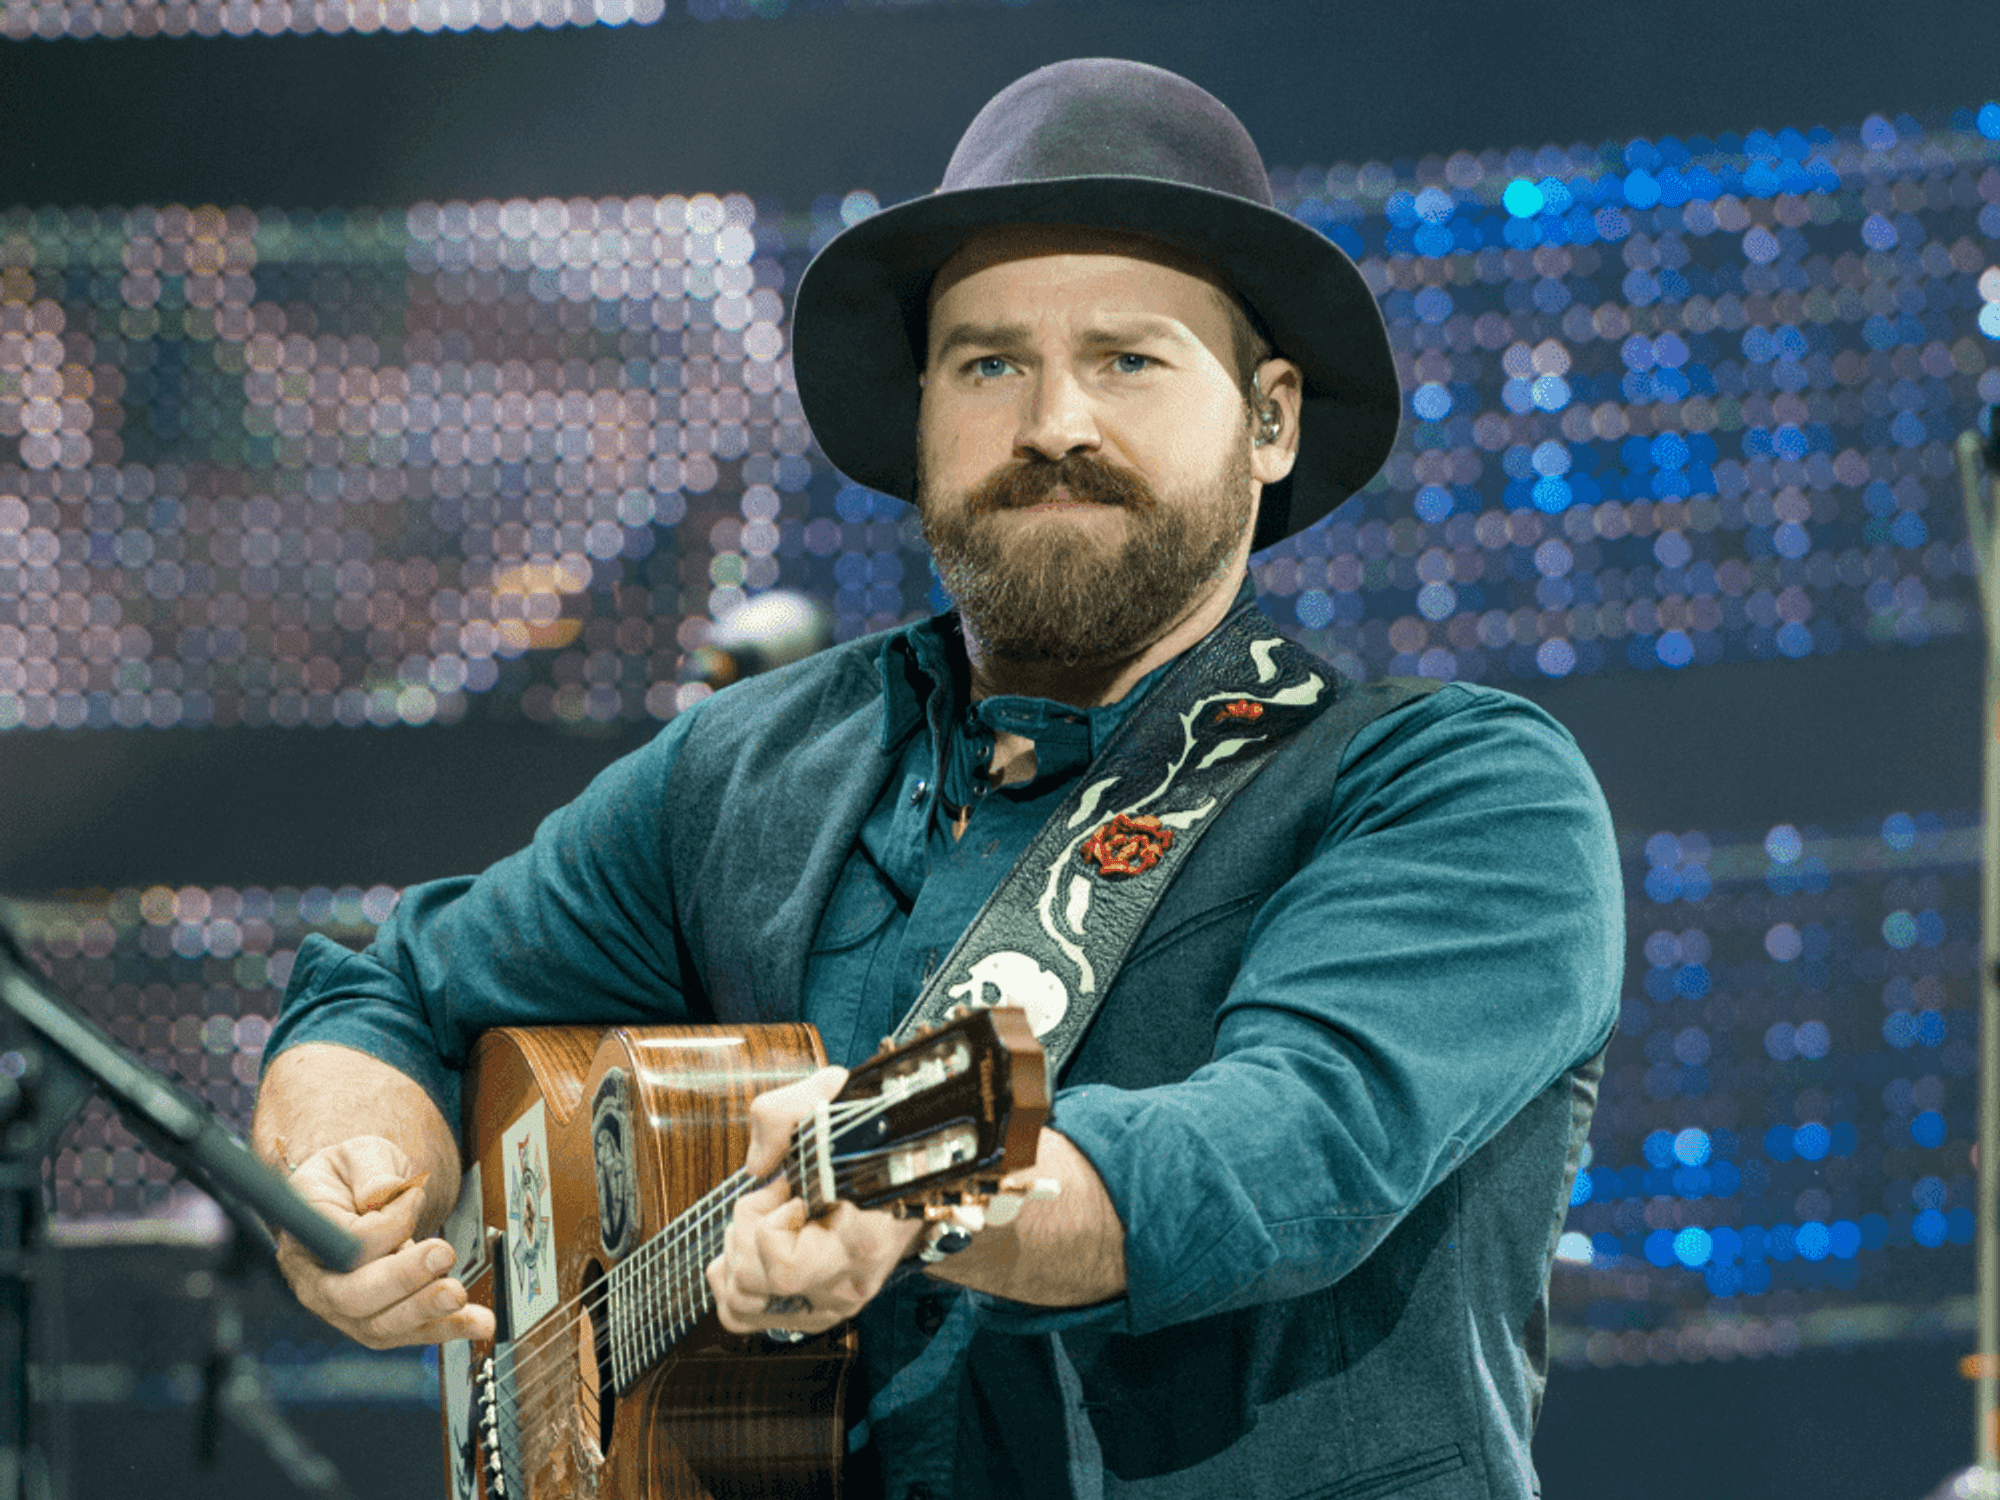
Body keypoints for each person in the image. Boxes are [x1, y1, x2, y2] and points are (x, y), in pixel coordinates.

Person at [252, 58, 1623, 1500]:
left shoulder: (1455, 788)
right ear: (922, 417)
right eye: (989, 364)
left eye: (1127, 359)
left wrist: (906, 1178)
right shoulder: (751, 766)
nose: (1053, 424)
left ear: (1271, 419)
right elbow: (388, 992)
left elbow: (1287, 1145)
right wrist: (350, 1175)